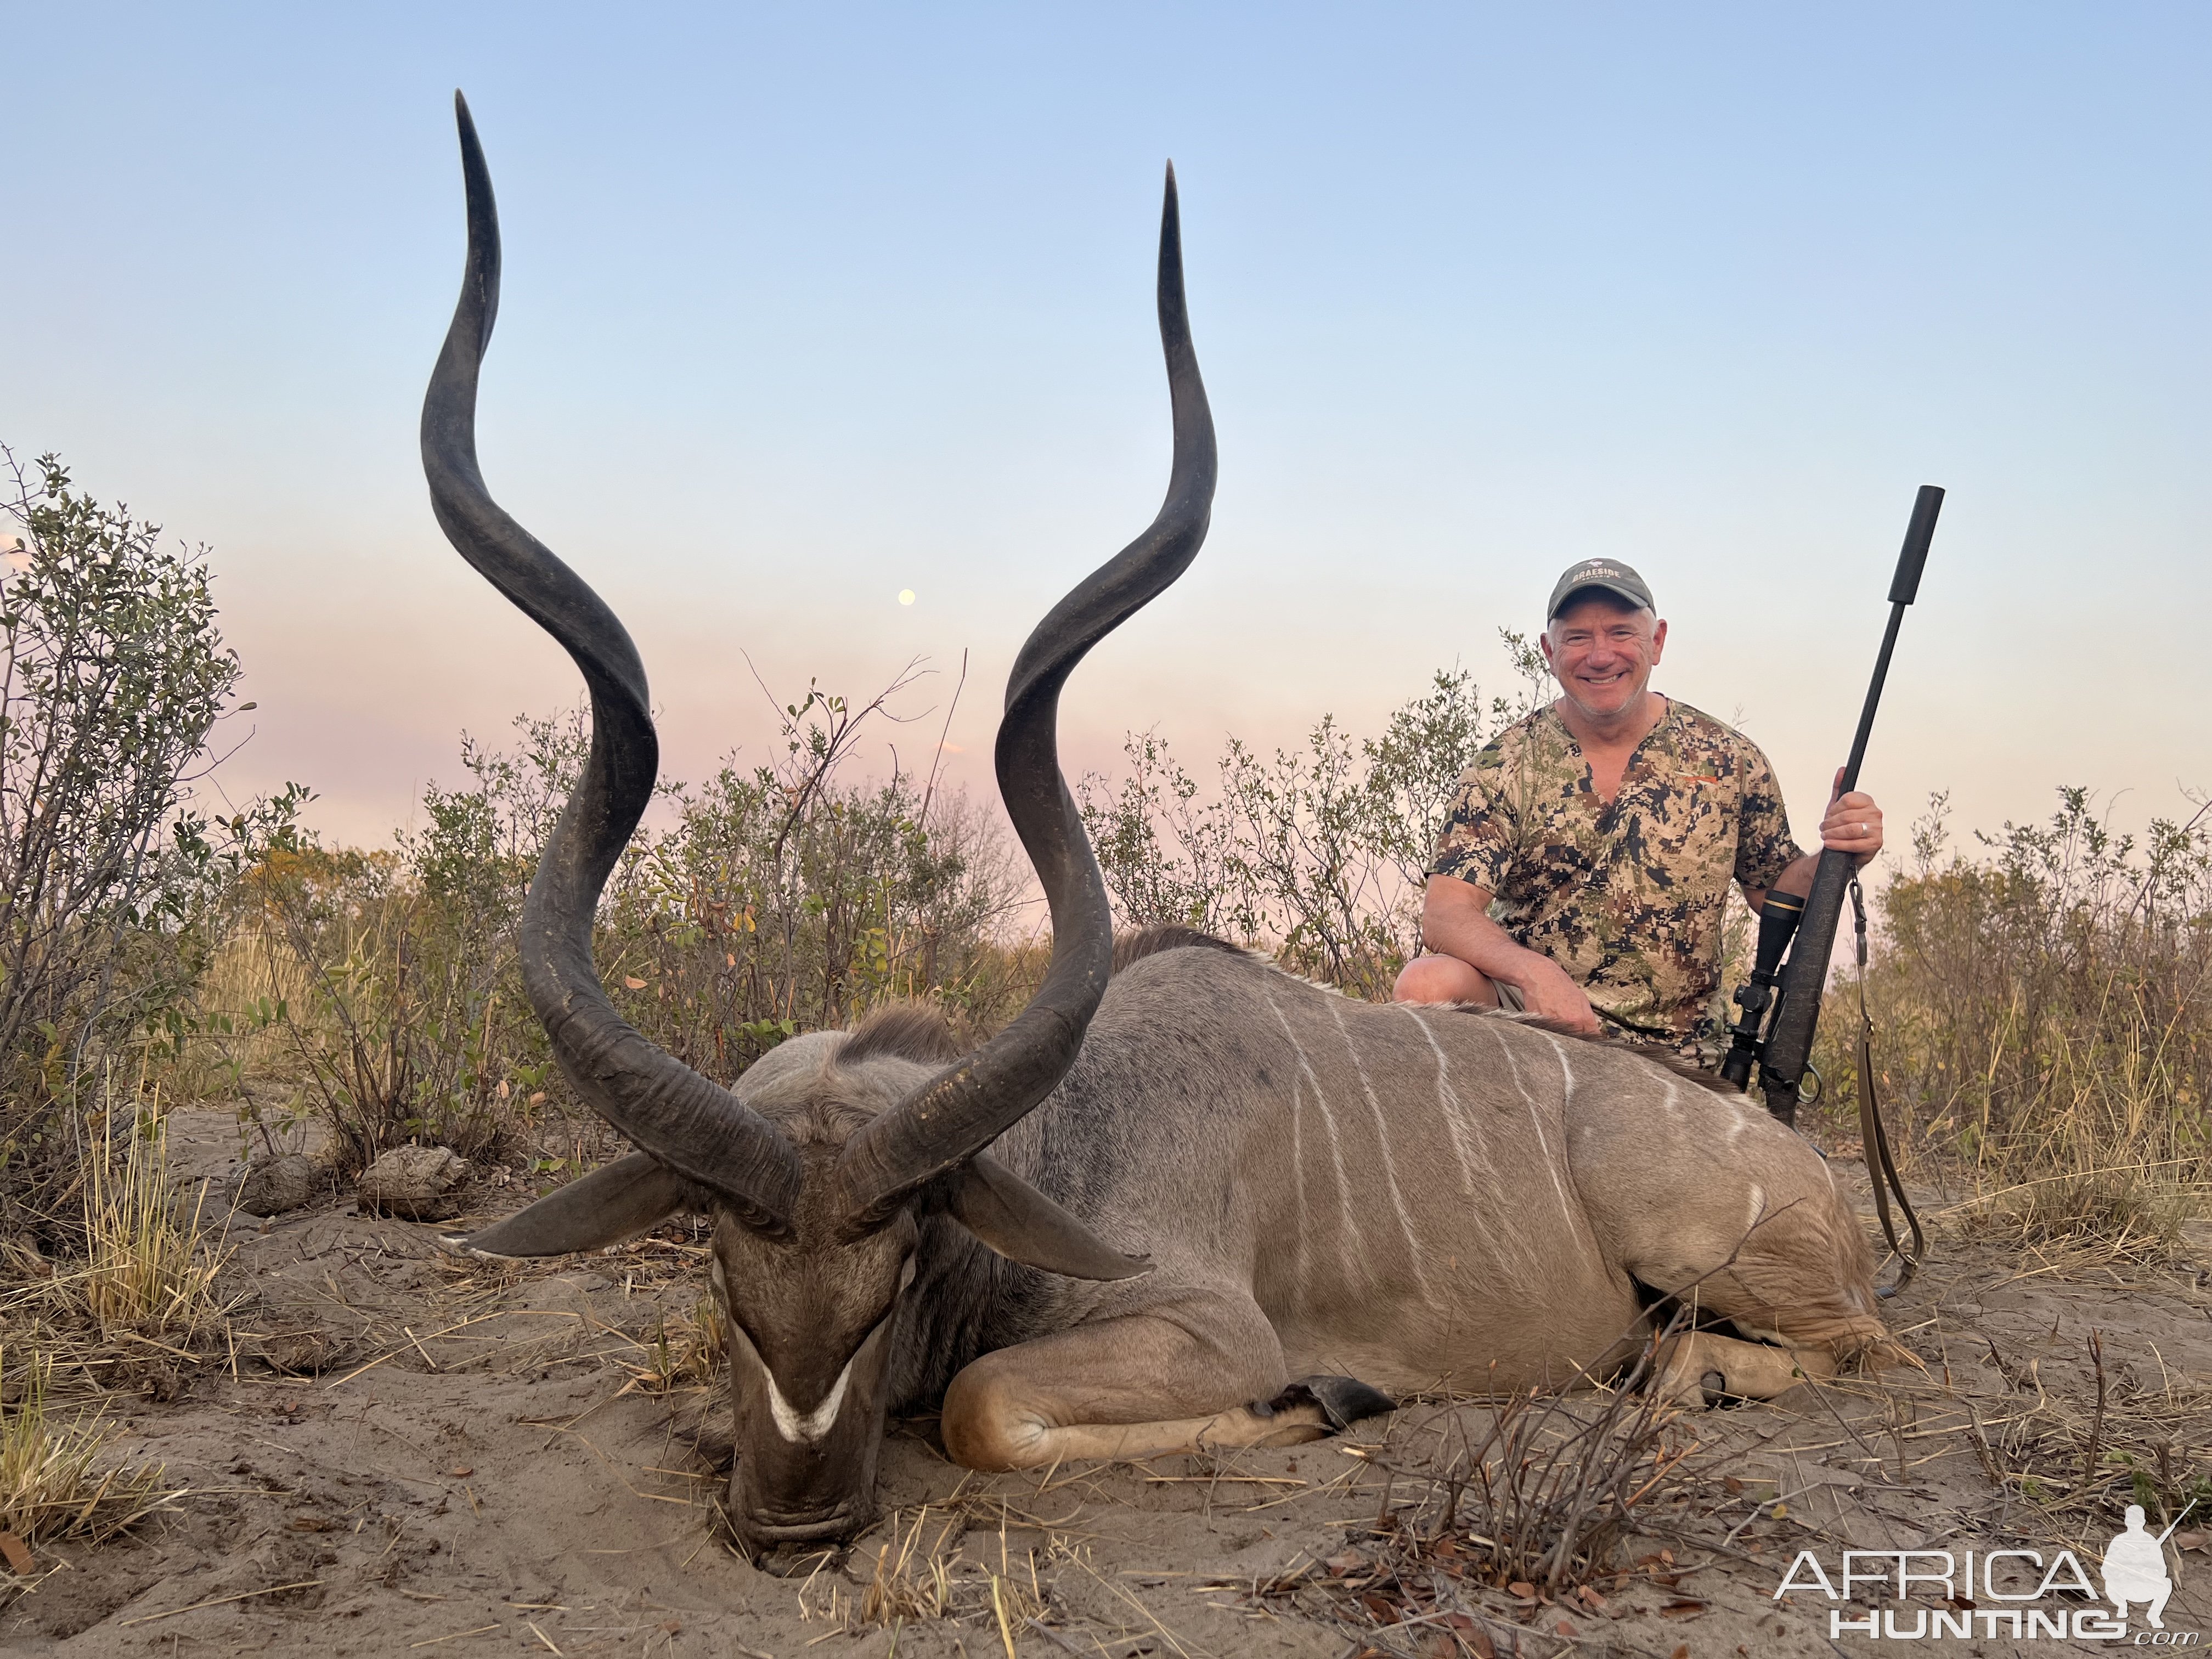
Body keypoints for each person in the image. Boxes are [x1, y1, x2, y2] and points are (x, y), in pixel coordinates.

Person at [1393, 558, 1884, 1058]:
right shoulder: (1504, 765)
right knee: (1426, 985)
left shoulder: (1729, 759)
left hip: (1678, 1050)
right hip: (1539, 1023)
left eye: (1621, 632)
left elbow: (1773, 893)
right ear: (1549, 651)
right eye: (1578, 637)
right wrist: (1535, 973)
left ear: (1657, 641)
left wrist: (1836, 856)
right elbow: (1446, 913)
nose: (1600, 656)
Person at [2102, 1505, 2172, 1628]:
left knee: (2167, 1583)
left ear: (2143, 1522)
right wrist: (2121, 1572)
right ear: (2126, 1522)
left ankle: (2154, 1615)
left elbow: (2162, 1570)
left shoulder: (2150, 1541)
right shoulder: (2119, 1541)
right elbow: (2106, 1568)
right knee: (2109, 1583)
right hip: (2124, 1586)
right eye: (2131, 1522)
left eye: (2137, 1523)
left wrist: (2147, 1570)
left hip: (2145, 1586)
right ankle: (2122, 1606)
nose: (2134, 1527)